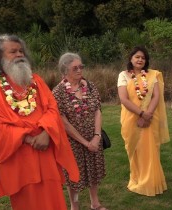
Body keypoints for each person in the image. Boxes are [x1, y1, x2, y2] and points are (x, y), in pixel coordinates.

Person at [0, 34, 79, 210]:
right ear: (0, 57)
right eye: (13, 52)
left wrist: (46, 133)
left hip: (45, 151)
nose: (19, 55)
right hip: (19, 159)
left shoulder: (36, 81)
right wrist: (26, 138)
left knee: (53, 200)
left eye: (21, 51)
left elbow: (52, 109)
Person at [52, 52, 107, 210]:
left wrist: (96, 137)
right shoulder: (58, 92)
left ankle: (95, 203)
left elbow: (97, 110)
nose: (79, 70)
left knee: (94, 170)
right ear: (64, 71)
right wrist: (84, 142)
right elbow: (63, 122)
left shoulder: (89, 86)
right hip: (72, 143)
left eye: (81, 66)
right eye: (75, 68)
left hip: (93, 137)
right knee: (73, 176)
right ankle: (74, 206)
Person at [117, 46, 170, 196]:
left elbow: (156, 97)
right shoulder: (123, 75)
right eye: (137, 57)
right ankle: (138, 179)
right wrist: (141, 113)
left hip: (150, 118)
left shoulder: (152, 75)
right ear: (131, 58)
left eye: (143, 58)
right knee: (134, 149)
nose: (140, 60)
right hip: (131, 119)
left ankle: (152, 182)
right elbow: (123, 99)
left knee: (151, 150)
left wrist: (148, 115)